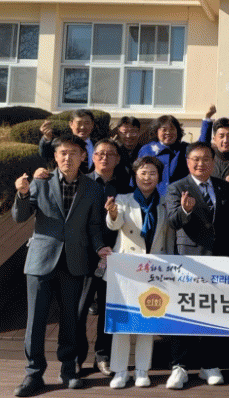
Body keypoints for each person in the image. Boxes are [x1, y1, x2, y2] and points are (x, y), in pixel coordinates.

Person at [11, 134, 110, 397]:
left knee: (70, 320)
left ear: (83, 156)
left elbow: (94, 226)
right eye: (63, 153)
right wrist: (22, 193)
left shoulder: (93, 188)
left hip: (74, 261)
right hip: (41, 261)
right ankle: (34, 373)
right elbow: (20, 217)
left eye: (73, 153)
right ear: (55, 156)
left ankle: (68, 369)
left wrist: (100, 247)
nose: (68, 158)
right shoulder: (39, 183)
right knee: (36, 320)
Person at [165, 141, 229, 389]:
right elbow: (172, 221)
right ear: (188, 162)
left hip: (218, 260)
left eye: (206, 159)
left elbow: (228, 225)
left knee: (212, 312)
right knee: (184, 313)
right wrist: (185, 211)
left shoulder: (222, 187)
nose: (201, 164)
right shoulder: (177, 187)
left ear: (213, 162)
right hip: (189, 260)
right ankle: (179, 366)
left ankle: (209, 364)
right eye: (196, 159)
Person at [105, 156, 174, 388]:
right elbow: (114, 225)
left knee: (148, 318)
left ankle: (142, 369)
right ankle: (120, 370)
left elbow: (167, 236)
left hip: (154, 269)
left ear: (159, 177)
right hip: (127, 268)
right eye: (143, 172)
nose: (147, 177)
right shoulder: (123, 200)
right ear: (135, 175)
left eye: (152, 173)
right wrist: (112, 213)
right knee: (122, 321)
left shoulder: (164, 202)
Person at [76, 139, 132, 376]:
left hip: (115, 257)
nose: (104, 158)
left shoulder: (126, 188)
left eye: (110, 154)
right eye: (100, 153)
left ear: (117, 159)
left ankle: (103, 356)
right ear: (92, 156)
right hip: (85, 256)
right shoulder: (81, 182)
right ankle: (77, 357)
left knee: (109, 310)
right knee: (80, 310)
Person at [137, 115, 189, 196]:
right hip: (153, 198)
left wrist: (207, 121)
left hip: (178, 197)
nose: (168, 132)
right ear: (156, 132)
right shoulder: (147, 150)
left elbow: (202, 150)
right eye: (164, 130)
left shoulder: (184, 149)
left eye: (172, 129)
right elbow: (138, 175)